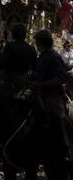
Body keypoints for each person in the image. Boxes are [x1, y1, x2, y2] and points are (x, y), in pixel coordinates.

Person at [30, 30, 72, 158]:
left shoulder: (53, 57)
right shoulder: (41, 57)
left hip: (52, 96)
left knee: (58, 117)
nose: (36, 45)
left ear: (41, 42)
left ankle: (66, 149)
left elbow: (60, 78)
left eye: (37, 42)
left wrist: (41, 84)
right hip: (38, 94)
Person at [0, 23, 37, 93]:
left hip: (9, 81)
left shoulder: (10, 47)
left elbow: (1, 63)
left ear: (13, 34)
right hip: (23, 83)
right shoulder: (31, 49)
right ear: (25, 34)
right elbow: (34, 67)